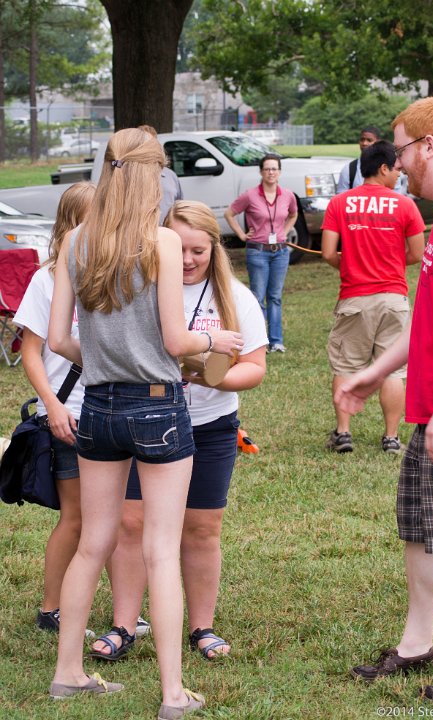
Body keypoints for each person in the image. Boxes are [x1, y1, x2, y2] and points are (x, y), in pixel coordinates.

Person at [47, 128, 243, 717]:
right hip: (158, 406)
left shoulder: (76, 239)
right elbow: (178, 340)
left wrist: (103, 360)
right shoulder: (160, 241)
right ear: (153, 174)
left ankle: (67, 674)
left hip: (98, 407)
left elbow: (58, 339)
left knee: (93, 544)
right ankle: (173, 694)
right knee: (160, 550)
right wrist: (215, 339)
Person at [336, 97, 433, 706]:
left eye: (400, 150)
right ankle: (417, 643)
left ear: (429, 145)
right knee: (422, 527)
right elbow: (429, 318)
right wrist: (374, 374)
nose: (396, 164)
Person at [89, 199, 268, 662]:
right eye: (178, 249)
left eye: (198, 251)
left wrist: (213, 378)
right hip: (143, 420)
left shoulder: (235, 297)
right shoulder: (140, 290)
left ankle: (202, 627)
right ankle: (125, 624)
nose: (187, 260)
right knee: (131, 523)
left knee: (202, 527)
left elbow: (255, 366)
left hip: (210, 426)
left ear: (215, 249)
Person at [13, 182, 96, 637]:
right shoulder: (47, 279)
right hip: (70, 412)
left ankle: (124, 613)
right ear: (69, 225)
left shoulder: (116, 272)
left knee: (122, 517)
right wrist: (53, 406)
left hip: (114, 409)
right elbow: (31, 352)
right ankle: (52, 609)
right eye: (91, 217)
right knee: (78, 516)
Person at [321, 140, 425, 454]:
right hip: (394, 298)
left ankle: (343, 433)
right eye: (396, 169)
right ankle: (391, 438)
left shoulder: (339, 203)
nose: (399, 174)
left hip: (355, 298)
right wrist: (390, 263)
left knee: (346, 366)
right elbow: (416, 253)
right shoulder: (405, 205)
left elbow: (328, 253)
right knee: (392, 370)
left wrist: (350, 265)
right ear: (382, 168)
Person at [224, 154, 297, 353]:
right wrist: (241, 235)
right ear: (261, 172)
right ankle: (259, 341)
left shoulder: (288, 195)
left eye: (274, 169)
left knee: (275, 297)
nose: (271, 172)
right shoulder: (250, 195)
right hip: (257, 251)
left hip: (280, 252)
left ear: (279, 172)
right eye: (267, 169)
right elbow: (229, 213)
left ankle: (276, 341)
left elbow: (293, 214)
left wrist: (285, 231)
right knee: (257, 297)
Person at [336, 126, 404, 195]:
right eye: (362, 140)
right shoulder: (349, 169)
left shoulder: (391, 169)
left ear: (378, 142)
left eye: (369, 140)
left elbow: (397, 196)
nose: (364, 143)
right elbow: (341, 196)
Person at [137, 124, 183, 223]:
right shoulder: (127, 176)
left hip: (168, 230)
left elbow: (179, 207)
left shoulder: (170, 175)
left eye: (152, 143)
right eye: (144, 144)